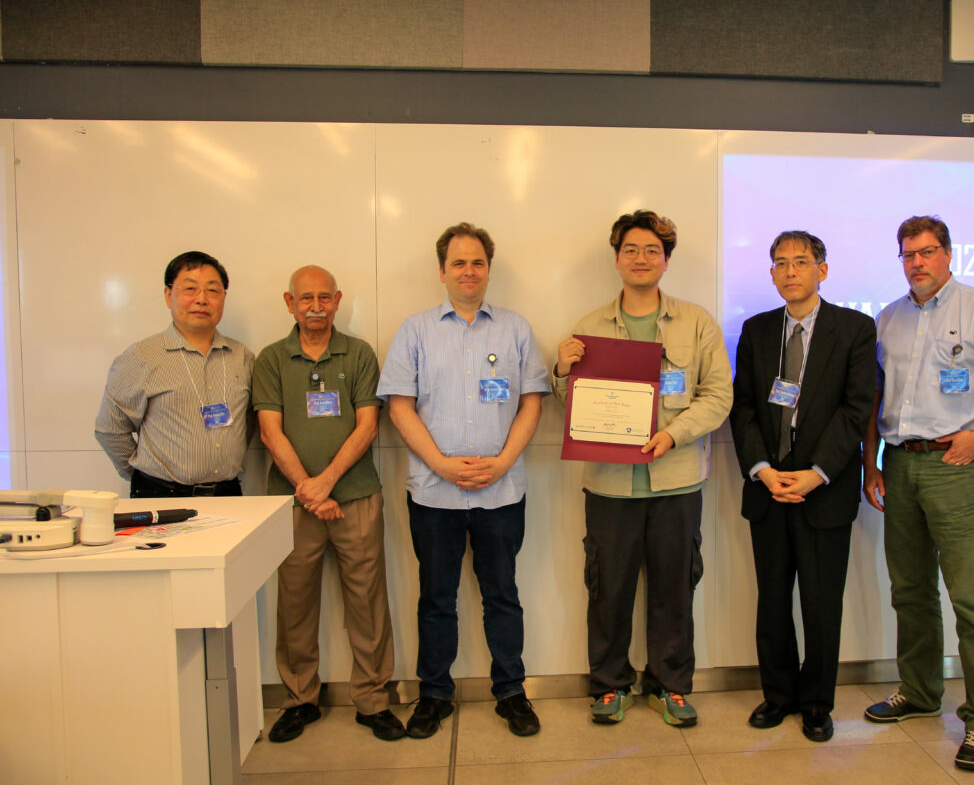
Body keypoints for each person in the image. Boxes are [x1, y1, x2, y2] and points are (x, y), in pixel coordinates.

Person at [862, 216, 974, 772]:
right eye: (908, 254)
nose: (917, 262)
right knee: (910, 590)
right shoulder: (887, 319)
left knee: (970, 599)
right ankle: (919, 692)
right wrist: (870, 461)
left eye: (927, 252)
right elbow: (875, 397)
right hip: (901, 463)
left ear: (947, 254)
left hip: (959, 466)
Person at [553, 209, 732, 727]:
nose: (640, 258)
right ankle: (609, 686)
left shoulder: (696, 322)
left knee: (675, 588)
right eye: (630, 249)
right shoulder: (588, 327)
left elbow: (719, 394)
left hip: (677, 482)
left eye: (652, 250)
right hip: (609, 487)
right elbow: (574, 407)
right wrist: (563, 369)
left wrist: (674, 433)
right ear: (616, 259)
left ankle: (670, 686)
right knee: (607, 589)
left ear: (666, 260)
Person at [378, 222, 549, 738]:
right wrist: (441, 464)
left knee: (502, 594)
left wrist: (502, 461)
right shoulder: (415, 330)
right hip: (434, 493)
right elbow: (400, 407)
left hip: (502, 489)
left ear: (488, 270)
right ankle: (434, 695)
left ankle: (511, 693)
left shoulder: (516, 329)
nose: (468, 271)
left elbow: (532, 401)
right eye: (458, 262)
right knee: (436, 597)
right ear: (442, 271)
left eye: (477, 262)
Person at [729, 231, 876, 742]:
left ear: (822, 270)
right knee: (772, 601)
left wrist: (817, 473)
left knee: (820, 603)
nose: (790, 271)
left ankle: (816, 703)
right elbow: (743, 407)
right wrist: (763, 469)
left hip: (824, 491)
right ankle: (778, 696)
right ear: (771, 274)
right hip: (768, 489)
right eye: (780, 263)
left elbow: (857, 409)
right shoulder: (756, 330)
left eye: (801, 262)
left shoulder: (854, 329)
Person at [252, 265, 402, 743]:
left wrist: (328, 482)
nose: (315, 306)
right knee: (294, 603)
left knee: (368, 600)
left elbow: (368, 425)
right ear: (288, 302)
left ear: (337, 300)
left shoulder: (358, 354)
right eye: (305, 298)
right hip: (293, 505)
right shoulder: (272, 359)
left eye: (324, 297)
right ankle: (299, 700)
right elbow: (269, 431)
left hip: (355, 497)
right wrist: (308, 489)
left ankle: (374, 701)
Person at [96, 251, 254, 497]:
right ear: (169, 295)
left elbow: (248, 423)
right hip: (162, 494)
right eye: (190, 289)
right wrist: (143, 474)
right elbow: (110, 429)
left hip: (227, 492)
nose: (202, 299)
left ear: (223, 297)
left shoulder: (241, 356)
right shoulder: (141, 357)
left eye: (213, 291)